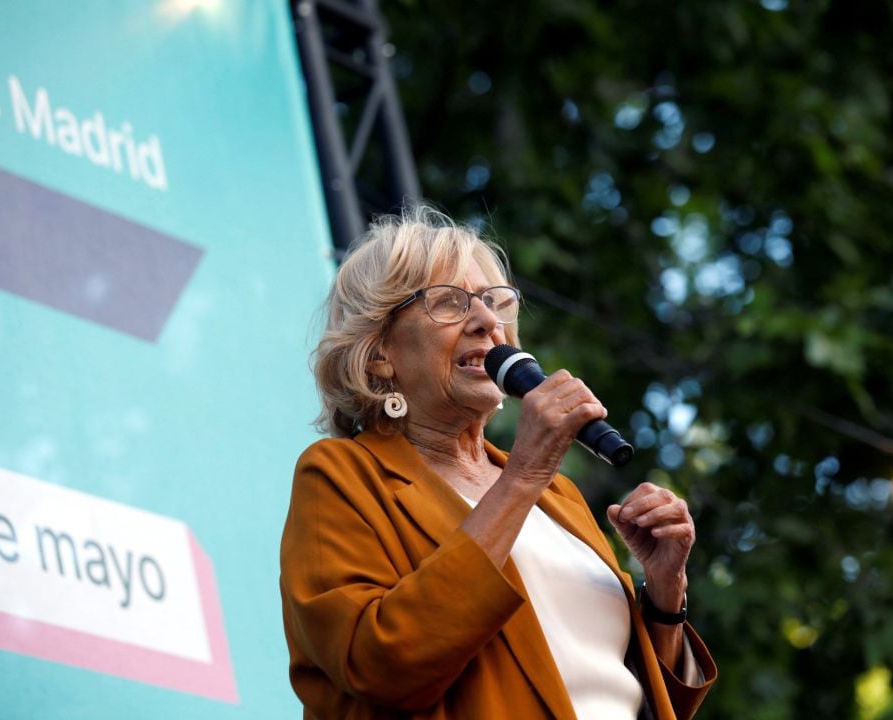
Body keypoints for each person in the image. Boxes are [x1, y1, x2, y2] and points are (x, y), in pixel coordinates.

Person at [280, 206, 717, 719]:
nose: (488, 321)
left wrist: (666, 597)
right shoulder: (341, 476)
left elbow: (628, 695)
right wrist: (524, 475)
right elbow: (380, 665)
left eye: (494, 302)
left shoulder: (558, 496)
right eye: (449, 303)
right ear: (379, 354)